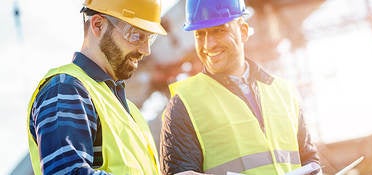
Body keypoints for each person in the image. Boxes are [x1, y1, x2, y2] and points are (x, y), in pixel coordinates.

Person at [159, 0, 321, 174]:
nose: (208, 45)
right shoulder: (184, 103)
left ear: (243, 31)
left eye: (218, 30)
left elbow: (309, 160)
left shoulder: (284, 92)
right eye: (200, 34)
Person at [27, 0, 167, 174]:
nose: (146, 50)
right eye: (136, 35)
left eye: (150, 38)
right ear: (98, 25)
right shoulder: (66, 88)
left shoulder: (130, 112)